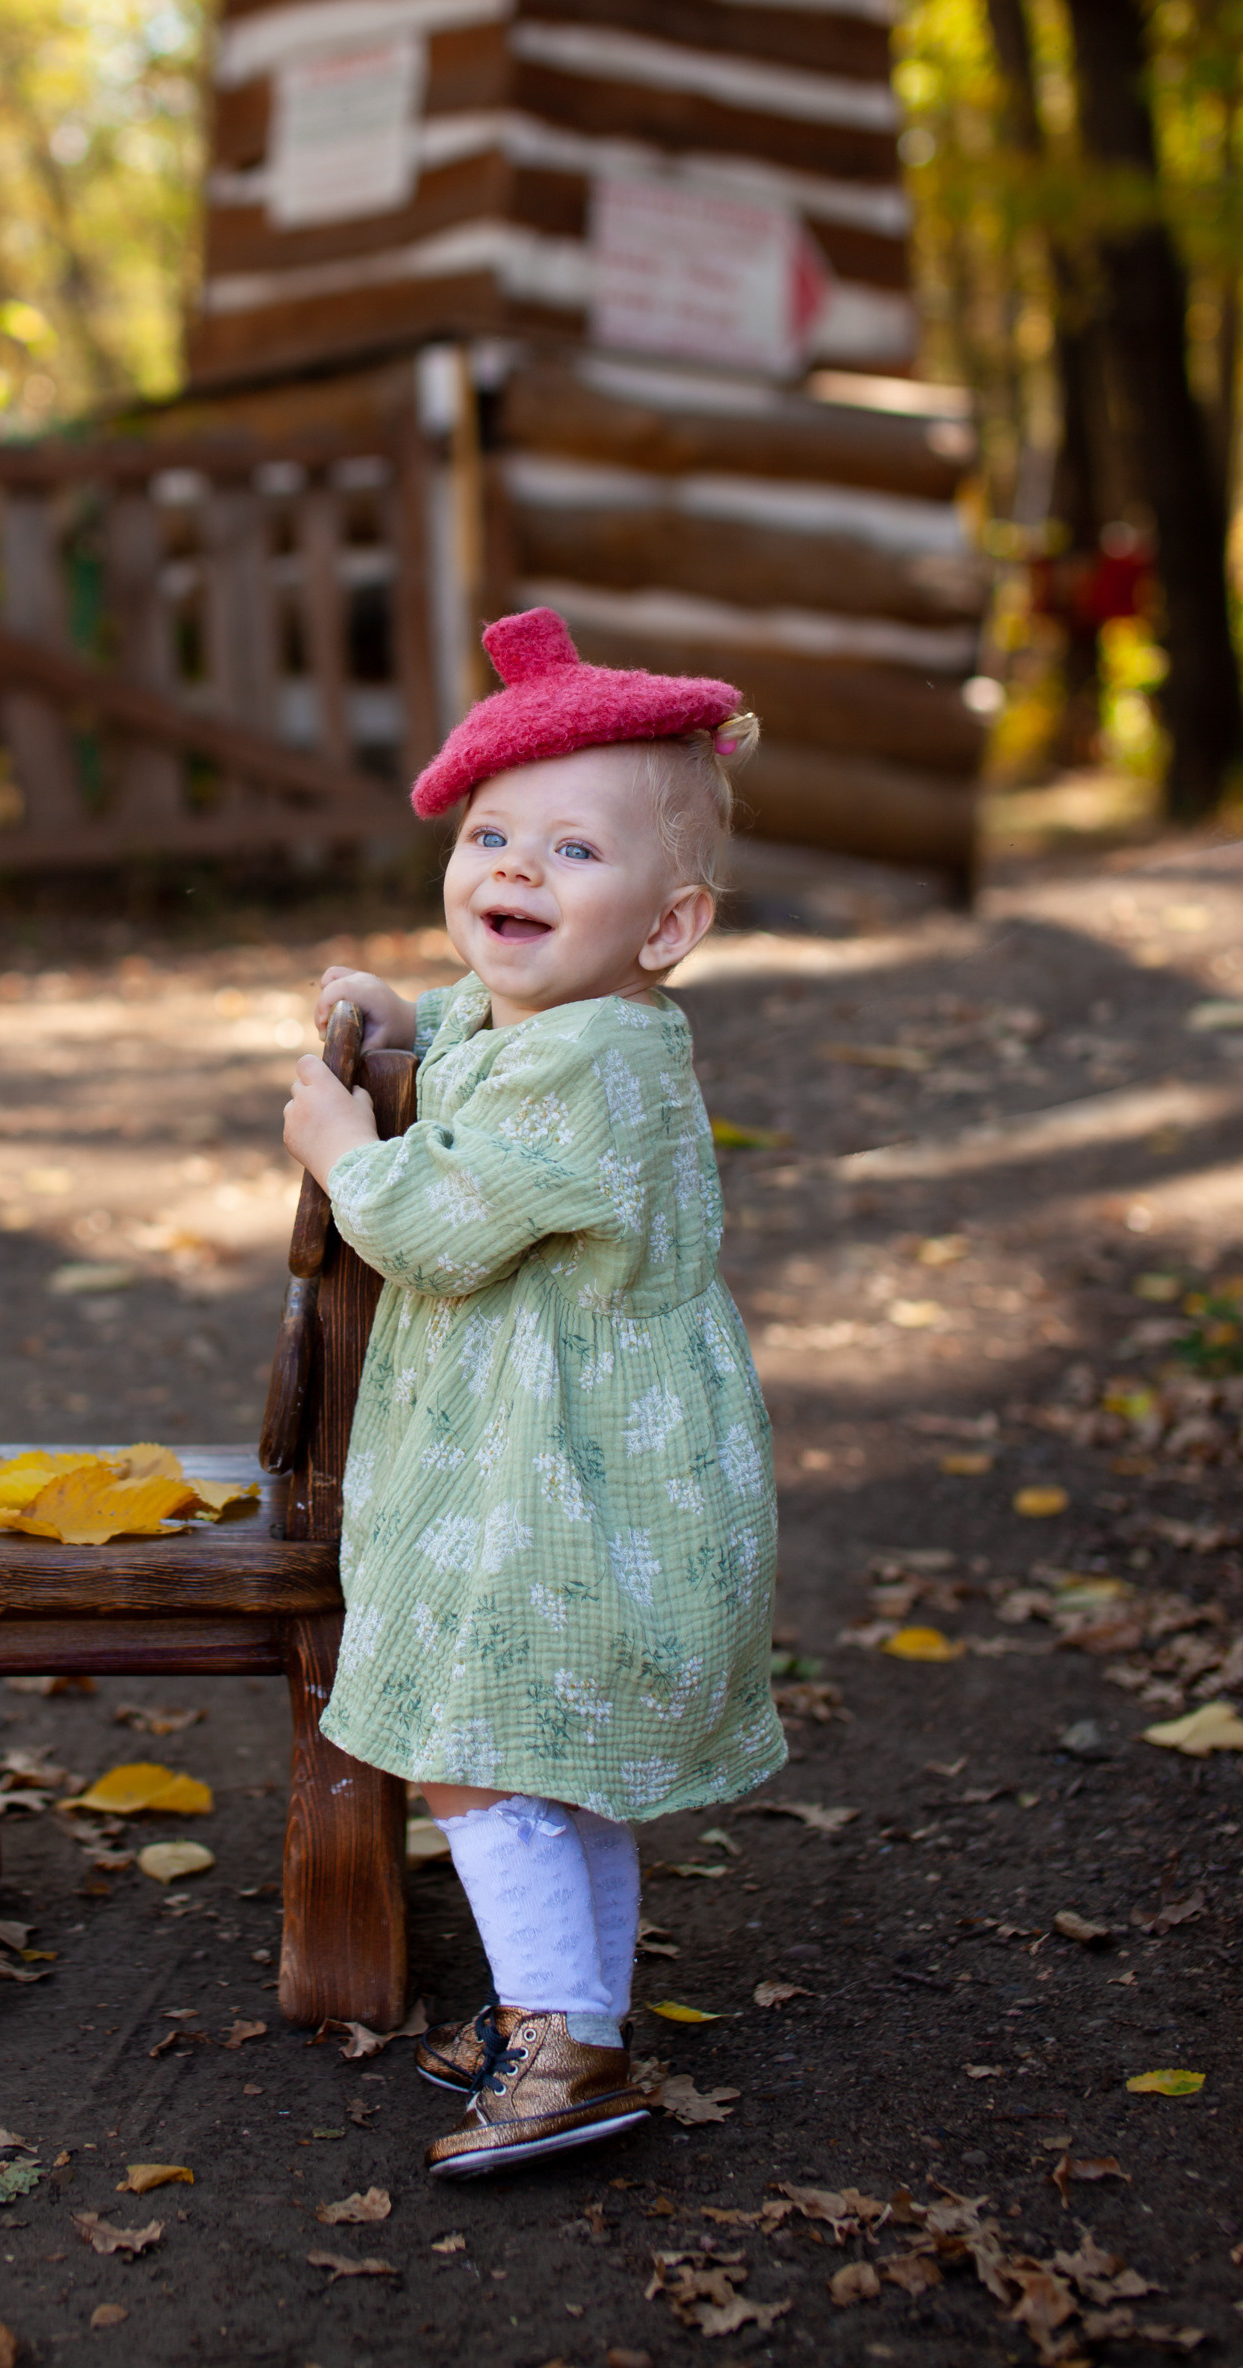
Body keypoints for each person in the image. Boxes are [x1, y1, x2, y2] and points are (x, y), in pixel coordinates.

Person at [281, 606, 785, 2181]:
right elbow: (481, 1043)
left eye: (573, 852)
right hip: (556, 1462)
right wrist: (394, 1014)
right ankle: (569, 2015)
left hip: (568, 1481)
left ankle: (564, 2039)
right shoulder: (564, 1024)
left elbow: (432, 1229)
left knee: (472, 1745)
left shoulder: (600, 1065)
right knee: (551, 1748)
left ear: (667, 924)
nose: (513, 870)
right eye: (493, 835)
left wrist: (341, 1151)